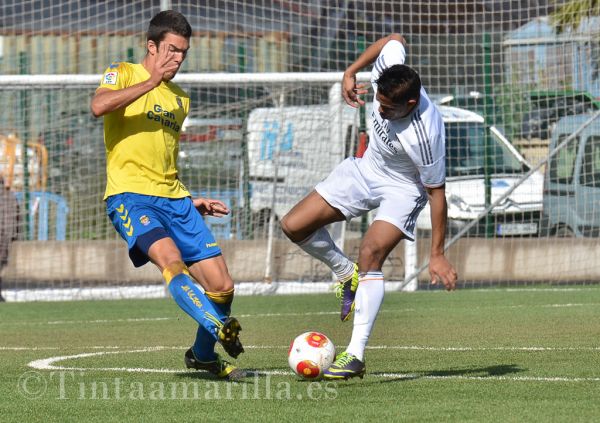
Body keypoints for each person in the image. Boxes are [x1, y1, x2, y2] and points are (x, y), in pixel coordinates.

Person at [280, 34, 458, 380]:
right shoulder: (389, 71)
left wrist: (437, 253)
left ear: (410, 103)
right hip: (366, 169)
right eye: (378, 102)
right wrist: (350, 72)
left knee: (370, 251)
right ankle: (345, 272)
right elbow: (393, 39)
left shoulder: (426, 134)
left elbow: (437, 193)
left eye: (388, 108)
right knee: (293, 225)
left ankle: (355, 354)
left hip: (403, 189)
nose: (380, 110)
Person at [91, 10, 245, 380]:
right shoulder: (122, 72)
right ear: (152, 46)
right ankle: (217, 326)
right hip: (131, 197)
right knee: (171, 261)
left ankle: (202, 355)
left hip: (175, 200)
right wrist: (150, 82)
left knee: (222, 287)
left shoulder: (180, 99)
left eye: (183, 52)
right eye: (171, 50)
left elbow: (163, 156)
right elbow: (98, 106)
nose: (177, 58)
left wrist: (190, 200)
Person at [0, 175, 20, 302]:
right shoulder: (11, 197)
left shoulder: (10, 197)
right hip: (5, 237)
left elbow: (16, 217)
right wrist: (15, 235)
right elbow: (17, 218)